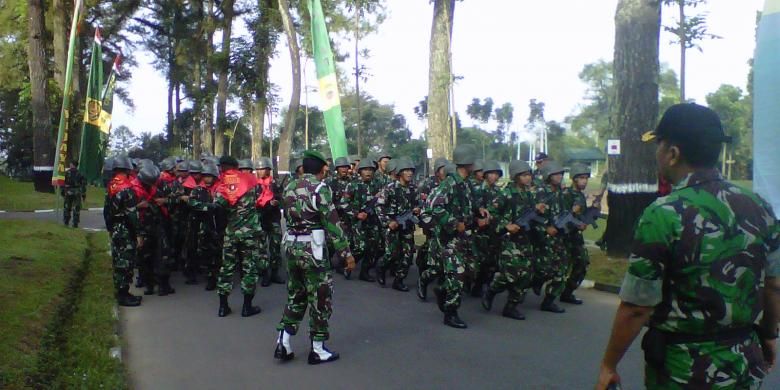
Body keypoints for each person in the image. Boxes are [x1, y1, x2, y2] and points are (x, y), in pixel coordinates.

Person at [596, 103, 780, 389]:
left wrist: (609, 364)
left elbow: (636, 307)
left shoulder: (663, 213)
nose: (656, 153)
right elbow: (774, 284)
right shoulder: (759, 207)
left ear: (672, 154)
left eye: (659, 144)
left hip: (685, 370)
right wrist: (769, 334)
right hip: (744, 360)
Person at [274, 150, 356, 365]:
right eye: (326, 167)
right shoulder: (321, 188)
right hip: (313, 250)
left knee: (296, 294)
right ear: (321, 168)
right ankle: (317, 349)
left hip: (291, 247)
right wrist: (346, 253)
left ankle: (283, 341)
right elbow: (332, 222)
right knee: (321, 297)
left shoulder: (290, 186)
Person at [420, 144, 488, 329]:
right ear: (466, 163)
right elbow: (434, 206)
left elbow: (470, 204)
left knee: (471, 270)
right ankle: (450, 313)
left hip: (465, 236)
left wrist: (479, 210)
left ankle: (442, 290)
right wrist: (453, 223)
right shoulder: (449, 184)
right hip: (450, 238)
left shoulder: (466, 184)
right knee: (457, 275)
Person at [211, 156, 266, 318]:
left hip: (231, 232)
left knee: (226, 268)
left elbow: (218, 206)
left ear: (222, 167)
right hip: (250, 232)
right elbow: (261, 200)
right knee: (249, 269)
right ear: (237, 165)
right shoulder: (252, 180)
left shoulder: (222, 184)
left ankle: (223, 307)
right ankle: (247, 307)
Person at [482, 160, 536, 320]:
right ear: (516, 176)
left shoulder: (527, 194)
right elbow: (490, 214)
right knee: (510, 273)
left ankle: (511, 306)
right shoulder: (506, 194)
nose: (527, 178)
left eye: (529, 175)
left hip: (525, 239)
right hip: (509, 239)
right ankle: (492, 290)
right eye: (524, 175)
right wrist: (506, 225)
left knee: (525, 275)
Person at [104, 156, 143, 307]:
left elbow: (107, 210)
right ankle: (122, 295)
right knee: (126, 262)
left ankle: (123, 292)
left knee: (118, 260)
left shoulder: (111, 185)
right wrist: (138, 234)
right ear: (128, 170)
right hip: (126, 229)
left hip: (115, 227)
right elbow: (132, 214)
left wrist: (109, 227)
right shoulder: (127, 189)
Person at [132, 165, 176, 296]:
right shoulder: (133, 189)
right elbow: (125, 209)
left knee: (163, 255)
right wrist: (138, 206)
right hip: (142, 227)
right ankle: (149, 285)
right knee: (145, 257)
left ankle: (163, 285)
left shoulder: (160, 184)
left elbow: (175, 199)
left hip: (158, 225)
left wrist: (165, 201)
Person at [377, 158, 419, 291]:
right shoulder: (390, 188)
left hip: (407, 226)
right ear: (400, 172)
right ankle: (381, 269)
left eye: (411, 171)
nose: (409, 173)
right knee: (391, 254)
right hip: (392, 226)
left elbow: (417, 205)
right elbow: (379, 207)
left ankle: (399, 280)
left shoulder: (414, 189)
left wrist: (417, 210)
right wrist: (388, 222)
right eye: (406, 170)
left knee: (408, 255)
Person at [532, 160, 568, 314]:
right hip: (544, 237)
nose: (559, 177)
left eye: (561, 174)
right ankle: (535, 280)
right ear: (548, 176)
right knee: (543, 269)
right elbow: (532, 216)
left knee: (561, 269)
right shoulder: (541, 192)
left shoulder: (559, 192)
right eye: (556, 174)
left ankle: (549, 301)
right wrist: (546, 227)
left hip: (558, 236)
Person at [344, 159, 382, 282]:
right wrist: (356, 214)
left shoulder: (378, 185)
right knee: (360, 248)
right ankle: (348, 265)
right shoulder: (352, 185)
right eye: (365, 169)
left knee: (373, 247)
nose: (368, 172)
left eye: (371, 170)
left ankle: (365, 272)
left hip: (374, 221)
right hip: (358, 222)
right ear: (360, 171)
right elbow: (344, 204)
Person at [471, 160, 503, 297]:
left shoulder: (498, 191)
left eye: (496, 174)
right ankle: (476, 285)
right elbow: (471, 210)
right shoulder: (477, 190)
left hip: (494, 231)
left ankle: (485, 284)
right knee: (480, 261)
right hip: (480, 232)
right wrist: (478, 219)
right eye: (491, 173)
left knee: (493, 261)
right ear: (485, 175)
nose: (494, 176)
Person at [188, 162, 221, 291]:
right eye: (205, 176)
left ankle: (215, 277)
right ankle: (202, 276)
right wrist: (208, 207)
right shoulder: (197, 189)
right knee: (200, 250)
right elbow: (192, 203)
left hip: (217, 225)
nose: (207, 179)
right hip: (201, 225)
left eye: (209, 176)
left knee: (216, 252)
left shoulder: (219, 189)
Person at [560, 163, 590, 305]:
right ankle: (550, 296)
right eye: (581, 178)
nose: (584, 181)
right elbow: (563, 217)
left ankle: (567, 292)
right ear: (574, 179)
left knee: (582, 263)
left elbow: (581, 215)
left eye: (586, 178)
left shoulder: (581, 196)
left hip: (576, 236)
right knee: (561, 267)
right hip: (564, 237)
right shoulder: (566, 195)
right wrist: (575, 219)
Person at [415, 157, 449, 280]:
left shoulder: (450, 184)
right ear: (437, 171)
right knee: (430, 243)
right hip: (428, 218)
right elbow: (422, 203)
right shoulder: (428, 184)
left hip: (443, 220)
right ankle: (423, 264)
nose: (445, 172)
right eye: (442, 170)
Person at [256, 157, 285, 287]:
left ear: (268, 170)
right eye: (258, 169)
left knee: (275, 247)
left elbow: (283, 199)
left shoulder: (275, 184)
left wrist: (277, 202)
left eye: (262, 169)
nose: (260, 171)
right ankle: (264, 274)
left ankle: (274, 272)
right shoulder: (254, 185)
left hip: (274, 219)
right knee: (261, 249)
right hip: (260, 219)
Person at [326, 157, 354, 277]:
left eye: (346, 167)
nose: (344, 169)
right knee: (331, 242)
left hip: (348, 216)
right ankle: (328, 259)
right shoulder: (330, 182)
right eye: (341, 167)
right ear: (337, 169)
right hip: (334, 215)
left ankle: (341, 264)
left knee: (345, 240)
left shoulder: (353, 181)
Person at [62, 161, 87, 228]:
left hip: (68, 191)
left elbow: (63, 183)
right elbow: (83, 184)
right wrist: (84, 194)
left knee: (67, 207)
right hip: (77, 191)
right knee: (76, 208)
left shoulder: (67, 173)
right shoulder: (80, 173)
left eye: (70, 164)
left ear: (72, 164)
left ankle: (66, 221)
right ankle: (75, 223)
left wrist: (63, 191)